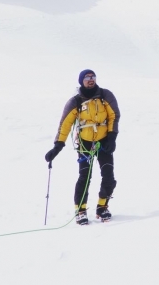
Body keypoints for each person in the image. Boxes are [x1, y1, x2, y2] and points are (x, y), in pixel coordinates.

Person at [44, 70, 120, 225]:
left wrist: (112, 137)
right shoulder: (75, 101)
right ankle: (81, 210)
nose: (91, 80)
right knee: (85, 177)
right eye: (87, 78)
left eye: (93, 77)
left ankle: (102, 206)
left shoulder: (106, 96)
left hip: (104, 142)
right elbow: (65, 125)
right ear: (81, 81)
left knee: (108, 176)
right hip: (85, 143)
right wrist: (57, 147)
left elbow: (114, 116)